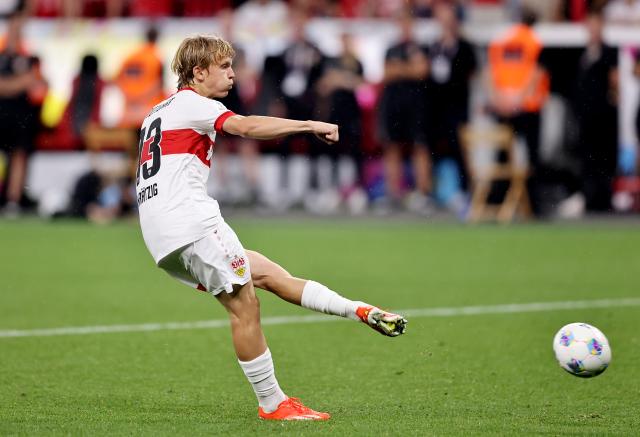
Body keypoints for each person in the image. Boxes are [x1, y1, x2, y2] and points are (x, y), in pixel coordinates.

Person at [136, 35, 407, 421]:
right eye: (224, 66)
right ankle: (273, 404)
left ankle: (359, 310)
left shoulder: (158, 112)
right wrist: (309, 124)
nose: (233, 73)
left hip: (162, 236)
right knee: (245, 305)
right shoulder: (196, 104)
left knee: (265, 273)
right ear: (198, 72)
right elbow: (246, 127)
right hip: (192, 221)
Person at [486, 8, 550, 215]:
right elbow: (536, 72)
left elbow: (490, 72)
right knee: (532, 157)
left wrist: (499, 99)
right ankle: (533, 206)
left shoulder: (501, 40)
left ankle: (497, 202)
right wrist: (519, 99)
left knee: (503, 157)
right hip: (527, 107)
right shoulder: (533, 40)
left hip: (504, 107)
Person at [376, 11, 431, 214]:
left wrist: (401, 69)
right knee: (392, 148)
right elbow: (386, 73)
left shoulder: (421, 48)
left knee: (420, 147)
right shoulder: (391, 49)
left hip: (416, 106)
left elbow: (422, 71)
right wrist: (409, 69)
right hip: (394, 105)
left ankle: (423, 194)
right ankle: (393, 195)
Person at [425, 2, 476, 200]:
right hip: (436, 108)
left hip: (457, 108)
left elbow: (470, 74)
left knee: (460, 149)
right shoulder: (435, 46)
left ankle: (465, 191)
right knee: (433, 149)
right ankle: (434, 191)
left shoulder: (464, 46)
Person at [0, 11, 39, 216]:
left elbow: (35, 83)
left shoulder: (27, 53)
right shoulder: (2, 51)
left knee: (19, 156)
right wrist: (19, 83)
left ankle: (13, 201)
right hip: (2, 112)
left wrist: (13, 85)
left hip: (20, 115)